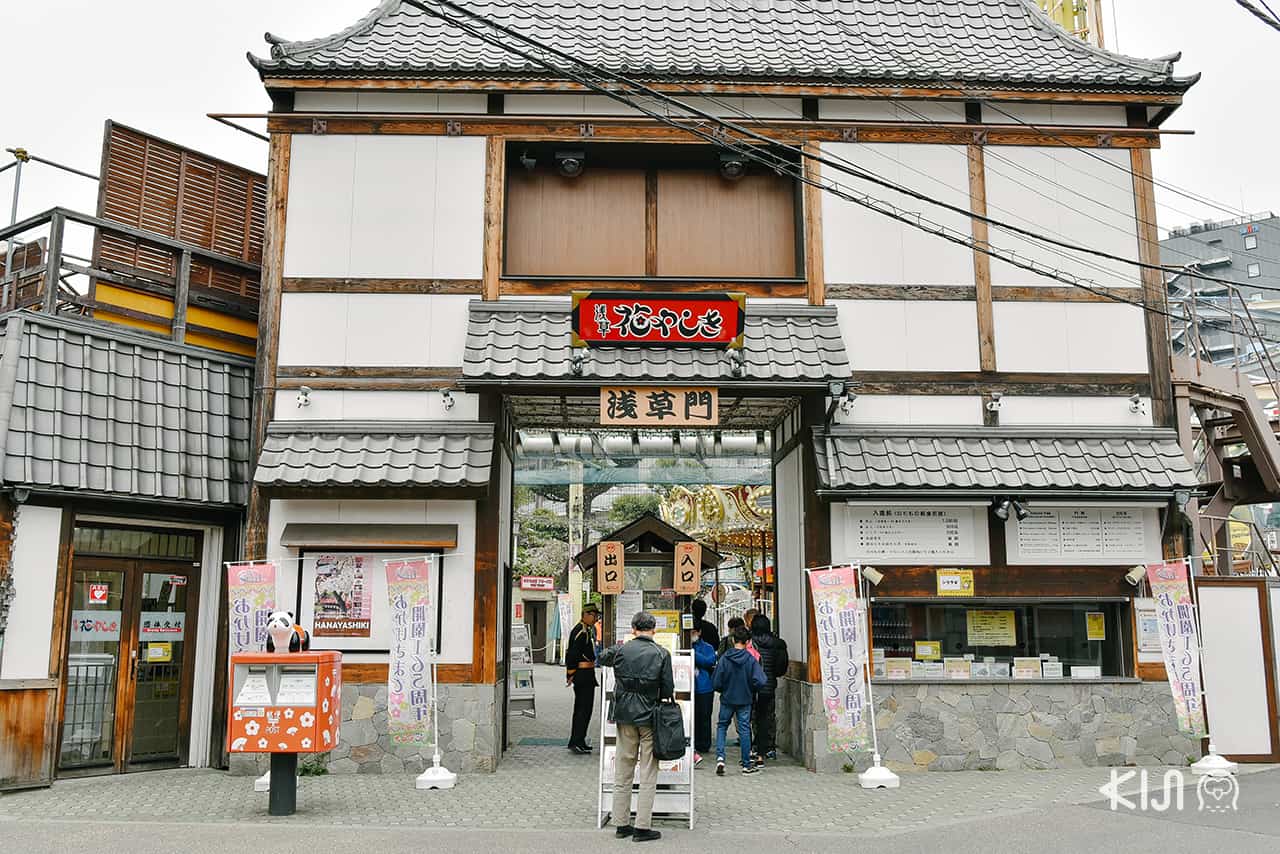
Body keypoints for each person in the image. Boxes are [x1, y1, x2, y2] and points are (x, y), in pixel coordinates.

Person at [599, 611, 674, 842]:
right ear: (654, 630)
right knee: (648, 771)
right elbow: (668, 689)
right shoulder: (662, 653)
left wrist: (621, 646)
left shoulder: (621, 650)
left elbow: (602, 657)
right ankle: (642, 827)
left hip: (624, 715)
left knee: (623, 769)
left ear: (633, 629)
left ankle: (621, 823)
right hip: (650, 716)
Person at [713, 624, 766, 776]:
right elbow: (761, 680)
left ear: (733, 639)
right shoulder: (750, 659)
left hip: (727, 698)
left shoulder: (725, 658)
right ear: (748, 641)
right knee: (744, 729)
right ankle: (746, 764)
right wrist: (751, 688)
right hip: (745, 699)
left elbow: (716, 681)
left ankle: (720, 758)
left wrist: (722, 689)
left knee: (722, 726)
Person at [749, 614, 789, 766]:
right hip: (769, 685)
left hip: (752, 686)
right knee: (768, 716)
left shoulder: (749, 642)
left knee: (753, 716)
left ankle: (756, 747)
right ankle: (769, 747)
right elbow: (781, 667)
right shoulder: (778, 644)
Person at [565, 604, 600, 754]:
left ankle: (580, 740)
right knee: (582, 710)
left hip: (586, 674)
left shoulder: (586, 630)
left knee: (585, 710)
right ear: (586, 614)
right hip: (582, 675)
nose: (596, 619)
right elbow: (572, 655)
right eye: (594, 615)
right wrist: (570, 674)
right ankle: (576, 741)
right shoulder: (580, 631)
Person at [691, 626, 716, 765]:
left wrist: (693, 654)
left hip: (704, 687)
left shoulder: (707, 647)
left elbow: (709, 661)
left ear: (700, 632)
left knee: (704, 716)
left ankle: (704, 744)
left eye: (694, 631)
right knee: (692, 717)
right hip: (690, 687)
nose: (692, 634)